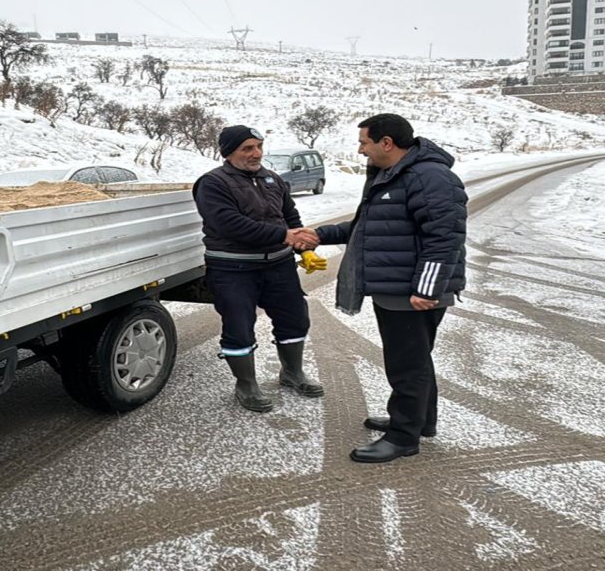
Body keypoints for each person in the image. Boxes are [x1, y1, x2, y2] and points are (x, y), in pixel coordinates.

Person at [313, 113, 467, 463]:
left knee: (405, 364)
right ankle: (419, 422)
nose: (360, 149)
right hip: (399, 287)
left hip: (412, 292)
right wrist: (320, 235)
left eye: (364, 142)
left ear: (387, 142)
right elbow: (367, 227)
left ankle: (402, 437)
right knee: (415, 359)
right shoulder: (393, 175)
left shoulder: (430, 177)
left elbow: (445, 239)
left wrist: (426, 289)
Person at [192, 125, 327, 412]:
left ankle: (292, 372)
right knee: (239, 327)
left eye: (259, 146)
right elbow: (229, 223)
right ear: (228, 153)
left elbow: (290, 216)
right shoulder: (213, 183)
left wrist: (306, 247)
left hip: (279, 265)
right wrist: (283, 236)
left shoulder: (272, 179)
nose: (256, 154)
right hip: (233, 269)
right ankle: (246, 385)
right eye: (247, 148)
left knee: (295, 319)